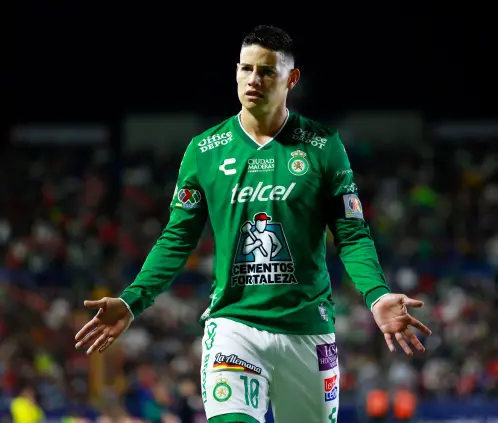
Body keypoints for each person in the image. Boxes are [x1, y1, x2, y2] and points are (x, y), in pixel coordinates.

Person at [75, 25, 432, 423]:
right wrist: (132, 300)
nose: (253, 80)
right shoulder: (204, 151)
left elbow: (351, 233)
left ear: (291, 79)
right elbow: (177, 238)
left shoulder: (323, 146)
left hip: (308, 330)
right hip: (234, 327)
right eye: (246, 69)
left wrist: (377, 295)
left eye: (266, 71)